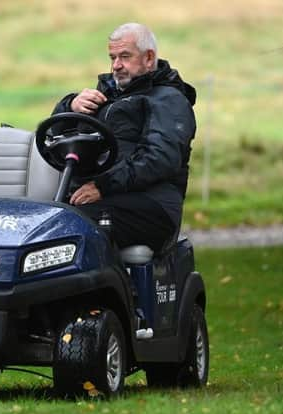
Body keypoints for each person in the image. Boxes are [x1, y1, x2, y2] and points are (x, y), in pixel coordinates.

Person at [51, 22, 197, 253]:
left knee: (69, 224)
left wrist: (103, 187)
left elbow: (160, 158)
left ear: (149, 58)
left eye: (125, 56)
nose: (116, 65)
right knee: (41, 219)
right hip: (101, 196)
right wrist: (70, 106)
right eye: (113, 58)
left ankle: (91, 287)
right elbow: (53, 138)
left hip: (152, 206)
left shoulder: (168, 99)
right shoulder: (105, 97)